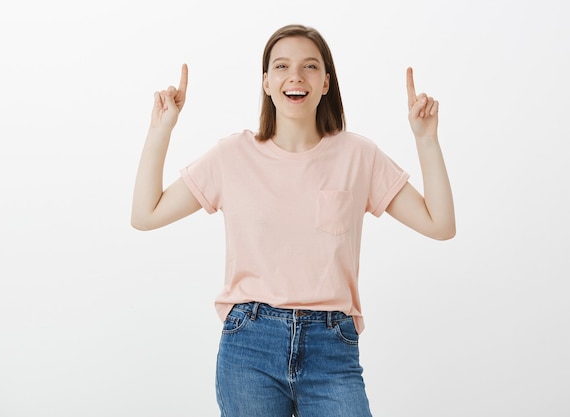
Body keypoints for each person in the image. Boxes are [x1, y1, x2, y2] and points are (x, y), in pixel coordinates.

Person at [131, 24, 455, 417]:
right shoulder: (232, 156)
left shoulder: (359, 156)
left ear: (325, 83)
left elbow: (440, 225)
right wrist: (159, 129)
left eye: (310, 67)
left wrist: (425, 139)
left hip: (332, 347)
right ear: (266, 82)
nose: (295, 76)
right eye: (281, 66)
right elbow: (145, 214)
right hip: (250, 345)